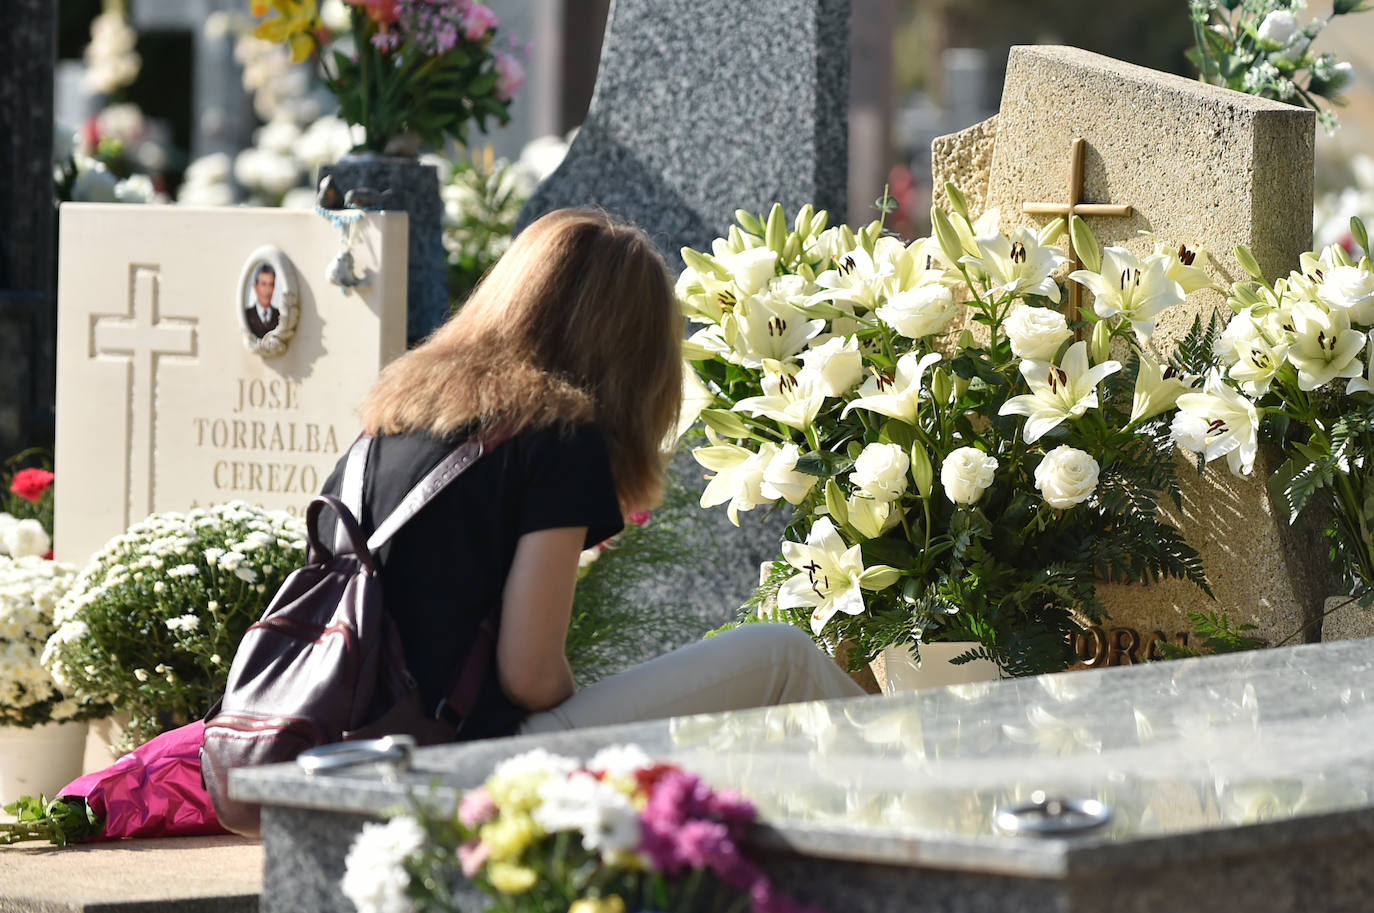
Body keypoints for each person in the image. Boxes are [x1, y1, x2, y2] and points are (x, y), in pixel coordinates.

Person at [320, 208, 864, 742]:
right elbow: (530, 676)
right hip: (460, 760)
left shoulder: (381, 429)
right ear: (633, 355)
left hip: (340, 754)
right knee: (780, 655)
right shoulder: (556, 435)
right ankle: (927, 800)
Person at [245, 263, 279, 338]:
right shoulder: (246, 315)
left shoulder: (280, 317)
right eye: (264, 284)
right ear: (255, 287)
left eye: (271, 284)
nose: (267, 290)